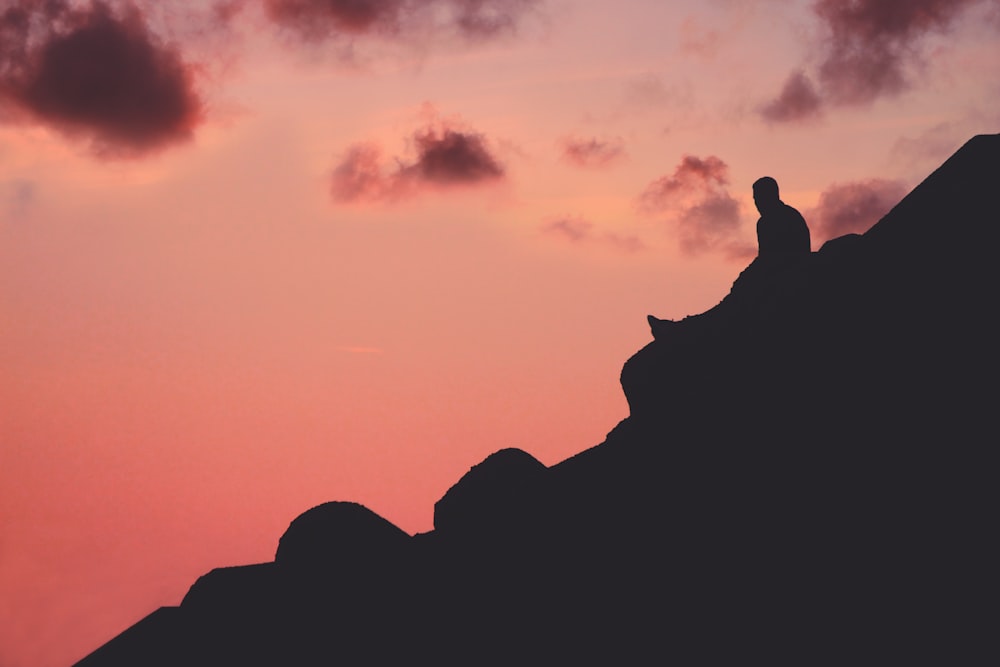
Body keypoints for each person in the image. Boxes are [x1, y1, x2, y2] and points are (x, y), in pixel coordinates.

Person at [647, 176, 811, 339]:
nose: (757, 204)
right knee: (728, 304)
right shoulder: (766, 221)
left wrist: (751, 276)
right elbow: (766, 257)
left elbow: (774, 258)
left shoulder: (783, 218)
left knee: (729, 308)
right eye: (755, 199)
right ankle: (678, 327)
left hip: (784, 278)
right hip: (774, 276)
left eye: (760, 198)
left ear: (772, 195)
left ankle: (677, 329)